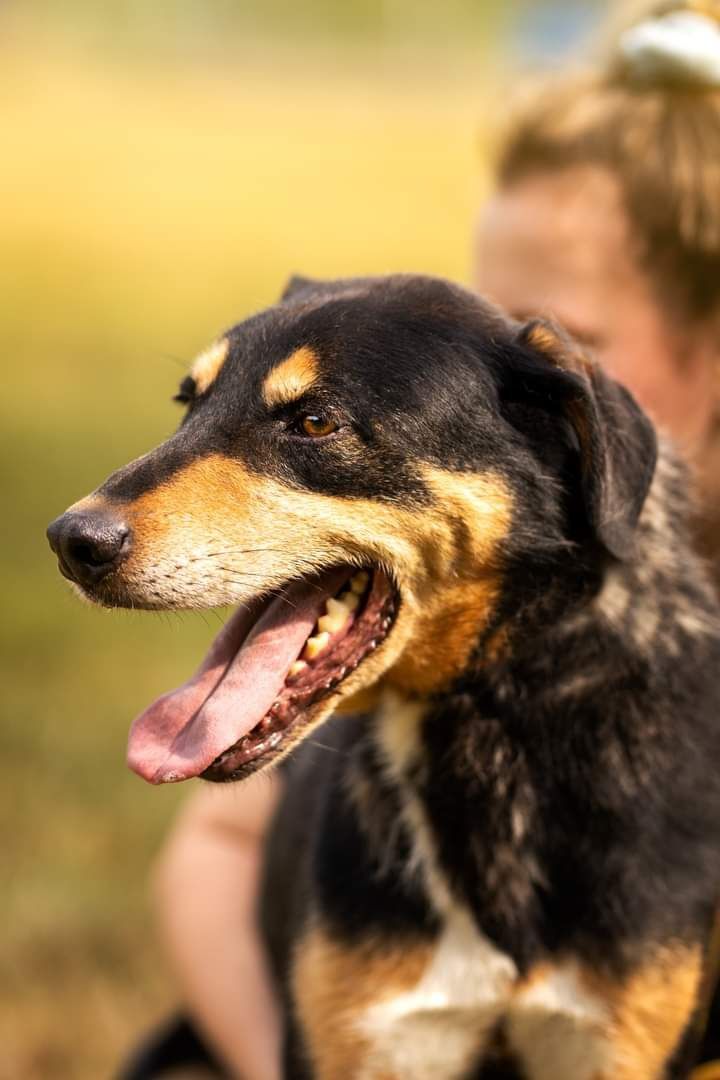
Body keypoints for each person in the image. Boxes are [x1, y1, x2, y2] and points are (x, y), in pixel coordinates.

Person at [127, 3, 720, 1076]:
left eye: (563, 330)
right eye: (480, 308)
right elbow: (215, 850)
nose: (496, 363)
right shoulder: (412, 604)